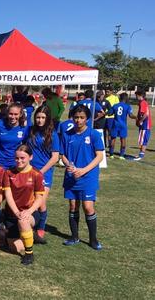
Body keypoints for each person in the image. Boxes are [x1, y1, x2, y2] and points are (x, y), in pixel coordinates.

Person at [60, 105, 104, 250]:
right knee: (73, 205)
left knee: (88, 206)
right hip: (72, 176)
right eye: (76, 117)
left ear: (87, 119)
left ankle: (93, 239)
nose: (78, 120)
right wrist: (69, 165)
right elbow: (62, 154)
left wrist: (84, 170)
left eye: (82, 118)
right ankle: (74, 236)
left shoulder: (93, 135)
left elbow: (99, 156)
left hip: (88, 176)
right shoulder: (67, 134)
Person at [2, 145, 45, 265]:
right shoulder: (9, 173)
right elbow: (8, 195)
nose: (19, 161)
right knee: (14, 248)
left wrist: (29, 211)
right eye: (16, 158)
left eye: (22, 158)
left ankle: (29, 254)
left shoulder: (36, 174)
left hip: (29, 213)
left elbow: (39, 198)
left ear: (30, 157)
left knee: (23, 221)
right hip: (12, 214)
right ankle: (31, 235)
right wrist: (16, 212)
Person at [25, 105, 60, 243]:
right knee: (29, 200)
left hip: (44, 173)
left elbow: (55, 157)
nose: (40, 120)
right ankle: (30, 225)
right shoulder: (31, 131)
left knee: (40, 202)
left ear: (48, 119)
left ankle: (41, 227)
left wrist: (41, 172)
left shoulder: (53, 134)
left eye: (43, 118)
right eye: (38, 117)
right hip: (29, 172)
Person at [0, 103, 29, 169]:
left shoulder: (24, 128)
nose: (13, 117)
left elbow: (25, 144)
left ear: (20, 114)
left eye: (16, 114)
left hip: (15, 163)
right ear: (7, 114)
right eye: (10, 114)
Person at [109, 93, 135, 159]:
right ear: (126, 98)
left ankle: (111, 154)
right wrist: (136, 117)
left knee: (113, 139)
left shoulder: (115, 105)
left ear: (120, 98)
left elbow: (110, 113)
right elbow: (130, 115)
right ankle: (121, 155)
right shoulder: (128, 106)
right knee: (123, 139)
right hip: (123, 125)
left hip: (115, 124)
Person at [135, 90, 151, 161]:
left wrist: (140, 121)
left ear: (139, 96)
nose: (136, 97)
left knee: (143, 140)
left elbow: (145, 114)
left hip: (145, 124)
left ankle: (141, 155)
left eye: (136, 96)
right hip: (144, 124)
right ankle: (140, 154)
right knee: (142, 139)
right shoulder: (142, 102)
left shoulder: (143, 103)